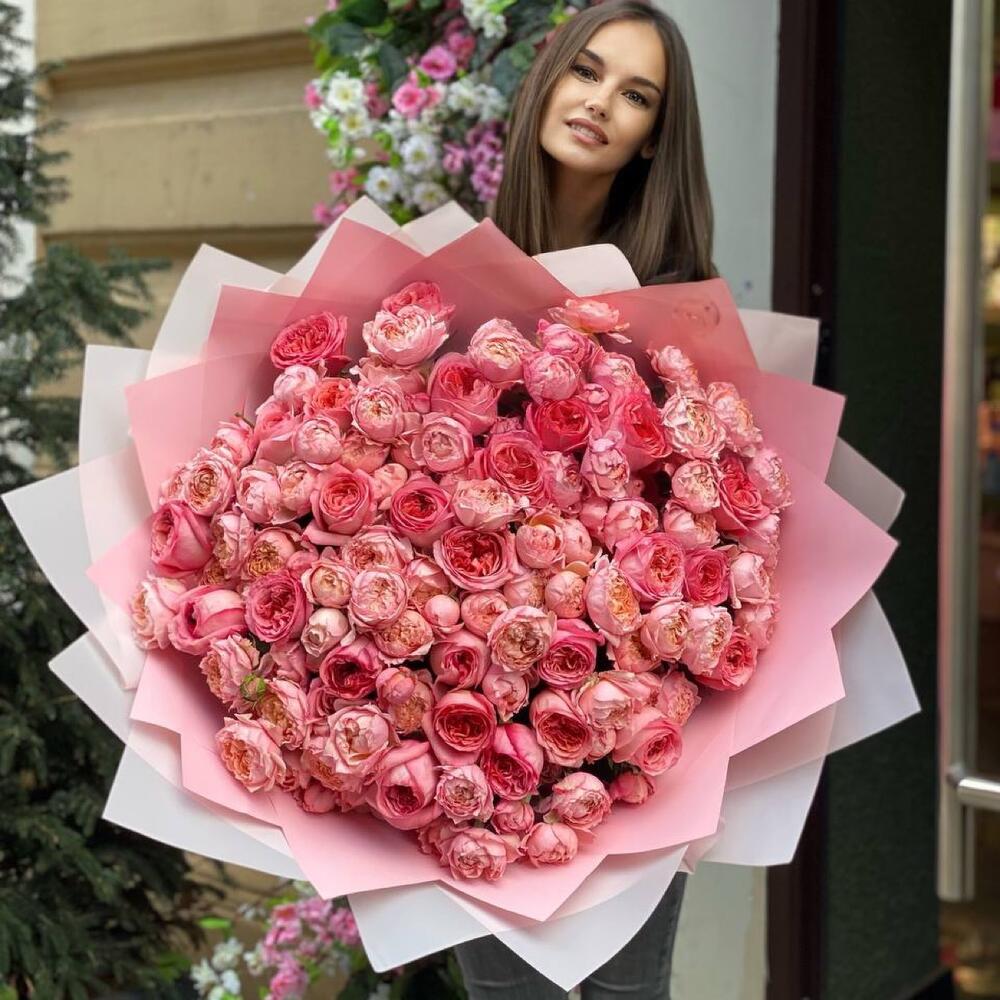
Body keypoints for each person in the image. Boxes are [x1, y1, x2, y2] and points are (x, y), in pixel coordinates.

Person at [453, 2, 715, 996]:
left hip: (621, 739)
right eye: (588, 72)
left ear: (652, 139)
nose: (601, 102)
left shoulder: (677, 305)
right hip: (472, 727)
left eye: (636, 94)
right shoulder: (444, 275)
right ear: (547, 82)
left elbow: (710, 540)